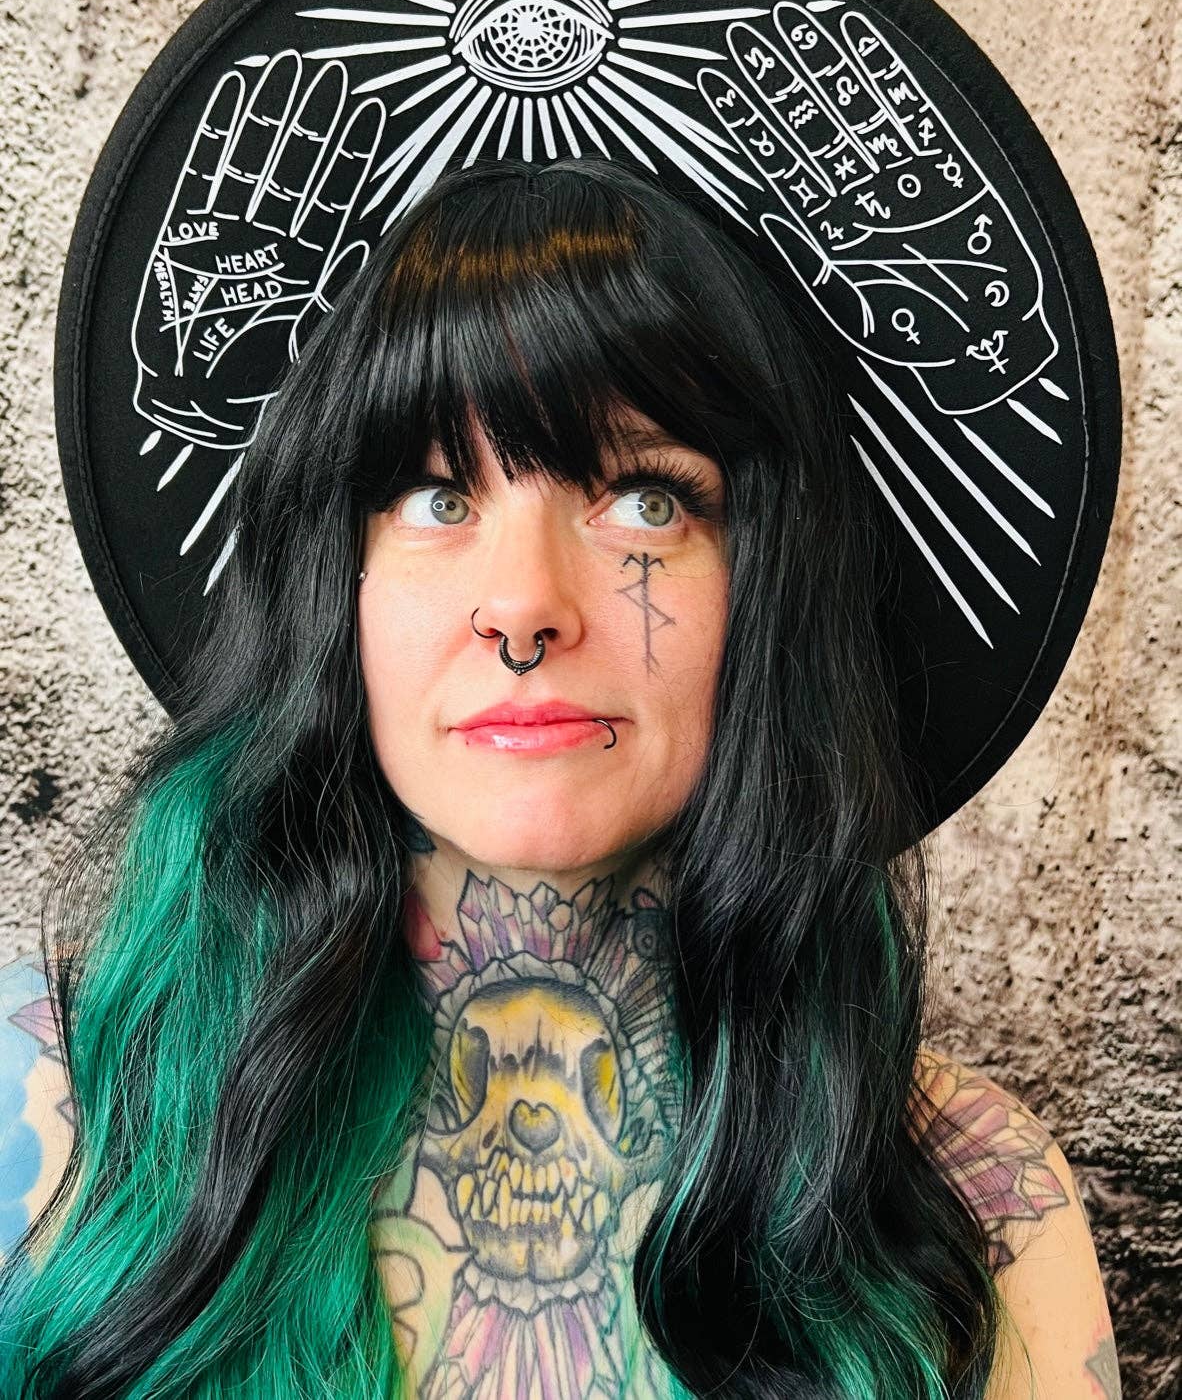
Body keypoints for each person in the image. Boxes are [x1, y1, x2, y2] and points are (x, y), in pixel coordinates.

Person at [0, 155, 1118, 1399]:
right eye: (435, 495)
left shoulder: (976, 1202)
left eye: (646, 499)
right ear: (330, 587)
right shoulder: (45, 1102)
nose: (524, 606)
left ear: (773, 586)